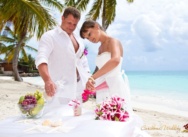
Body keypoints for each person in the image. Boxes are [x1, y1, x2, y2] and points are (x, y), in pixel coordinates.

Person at [35, 7, 91, 105]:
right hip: (59, 91)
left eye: (74, 24)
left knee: (77, 119)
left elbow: (83, 62)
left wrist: (87, 82)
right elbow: (41, 59)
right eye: (69, 23)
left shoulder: (78, 39)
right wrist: (47, 80)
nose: (71, 27)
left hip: (78, 89)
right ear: (62, 18)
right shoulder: (50, 36)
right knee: (56, 120)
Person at [80, 20, 132, 112]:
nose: (89, 39)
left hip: (115, 87)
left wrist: (92, 77)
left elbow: (115, 60)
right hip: (103, 90)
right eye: (87, 38)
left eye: (89, 34)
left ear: (96, 26)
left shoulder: (113, 41)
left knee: (117, 118)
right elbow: (100, 70)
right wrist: (90, 86)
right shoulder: (100, 48)